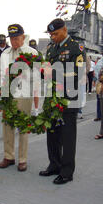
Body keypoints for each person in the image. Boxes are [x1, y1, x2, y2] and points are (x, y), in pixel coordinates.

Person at [39, 19, 85, 185]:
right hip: (52, 97)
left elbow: (79, 73)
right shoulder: (51, 48)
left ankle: (66, 171)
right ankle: (54, 164)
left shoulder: (75, 47)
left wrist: (55, 72)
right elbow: (46, 70)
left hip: (68, 98)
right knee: (52, 134)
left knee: (67, 136)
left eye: (55, 34)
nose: (53, 37)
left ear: (64, 30)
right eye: (51, 34)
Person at [0, 24, 39, 172]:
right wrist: (0, 89)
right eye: (12, 39)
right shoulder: (5, 54)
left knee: (23, 127)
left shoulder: (32, 52)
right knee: (7, 126)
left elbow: (38, 76)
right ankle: (8, 156)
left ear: (23, 37)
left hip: (24, 93)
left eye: (17, 38)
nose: (14, 41)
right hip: (8, 94)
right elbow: (0, 73)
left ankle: (22, 159)